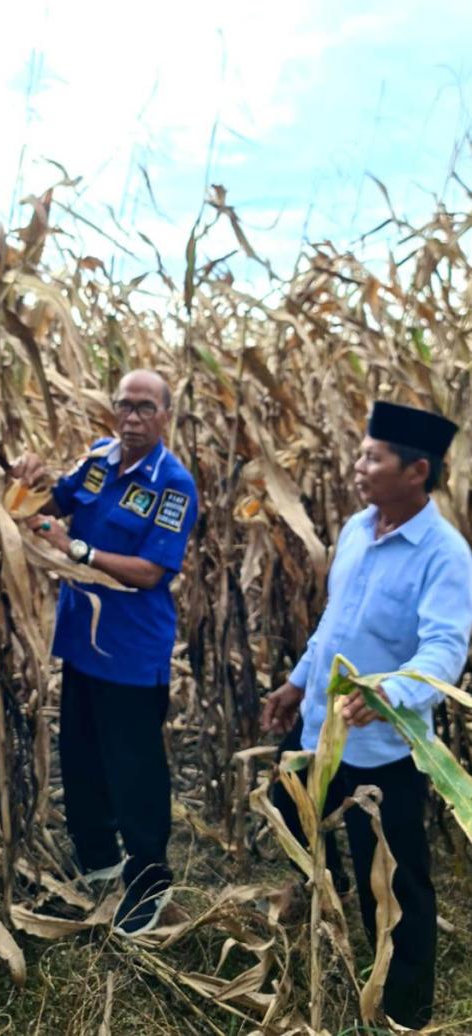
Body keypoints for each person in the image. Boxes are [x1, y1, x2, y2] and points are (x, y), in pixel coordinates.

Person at [261, 400, 472, 1030]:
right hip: (317, 734)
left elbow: (444, 650)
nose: (358, 466)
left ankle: (406, 1010)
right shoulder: (358, 527)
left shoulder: (445, 554)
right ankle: (314, 959)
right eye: (361, 453)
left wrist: (388, 695)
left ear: (417, 470)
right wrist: (299, 682)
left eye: (372, 457)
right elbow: (336, 622)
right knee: (301, 845)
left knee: (399, 886)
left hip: (384, 752)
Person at [13, 369, 198, 937]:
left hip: (131, 650)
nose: (133, 418)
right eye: (125, 406)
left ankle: (149, 880)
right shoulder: (97, 458)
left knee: (135, 769)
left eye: (146, 408)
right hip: (80, 643)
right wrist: (30, 478)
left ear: (167, 416)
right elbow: (55, 502)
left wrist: (80, 550)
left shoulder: (174, 484)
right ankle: (98, 860)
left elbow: (149, 572)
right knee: (82, 756)